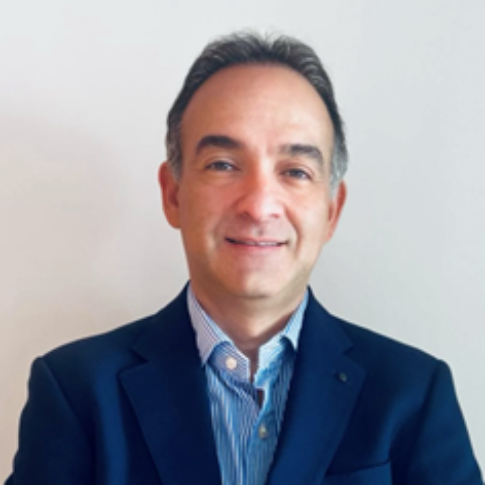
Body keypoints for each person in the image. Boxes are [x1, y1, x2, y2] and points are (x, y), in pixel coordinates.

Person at [6, 32, 482, 485]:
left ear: (331, 211)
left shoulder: (413, 394)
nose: (258, 205)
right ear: (173, 194)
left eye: (295, 171)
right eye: (223, 165)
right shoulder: (77, 391)